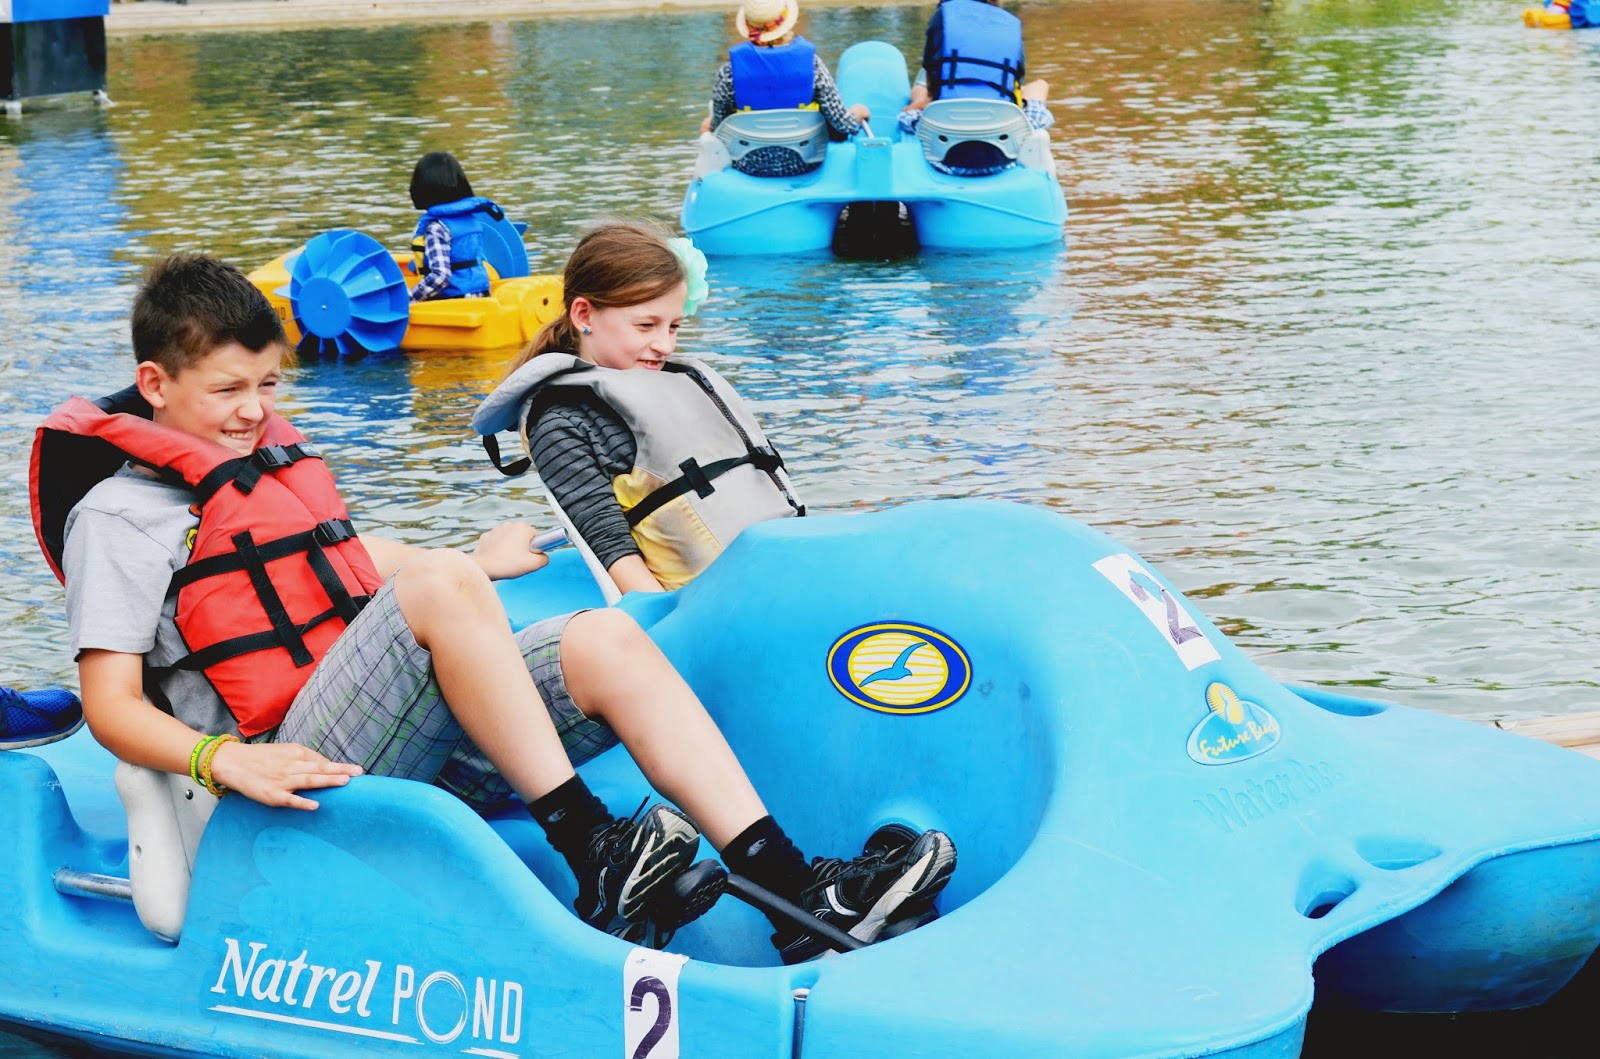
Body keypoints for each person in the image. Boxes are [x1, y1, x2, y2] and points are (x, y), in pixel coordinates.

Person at [33, 253, 953, 962]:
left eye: (267, 385)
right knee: (438, 585)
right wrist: (225, 757)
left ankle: (796, 892)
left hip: (388, 739)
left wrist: (477, 561)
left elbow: (334, 565)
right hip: (278, 779)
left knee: (602, 638)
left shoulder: (258, 466)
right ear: (154, 385)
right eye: (227, 390)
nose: (251, 411)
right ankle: (593, 849)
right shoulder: (116, 520)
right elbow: (110, 705)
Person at [474, 221, 801, 597]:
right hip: (711, 602)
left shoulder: (677, 385)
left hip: (779, 567)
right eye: (646, 325)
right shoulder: (561, 421)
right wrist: (669, 622)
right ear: (584, 315)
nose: (665, 345)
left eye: (674, 327)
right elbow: (610, 547)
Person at [698, 0, 870, 177]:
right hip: (805, 162)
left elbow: (718, 127)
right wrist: (857, 114)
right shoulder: (813, 65)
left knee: (707, 126)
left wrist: (709, 125)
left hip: (748, 164)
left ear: (747, 26)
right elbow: (842, 124)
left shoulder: (728, 73)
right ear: (788, 24)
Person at [897, 0, 1054, 176]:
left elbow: (933, 88)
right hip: (1004, 155)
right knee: (1038, 86)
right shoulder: (1011, 24)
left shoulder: (941, 17)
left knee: (918, 96)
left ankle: (918, 100)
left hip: (943, 158)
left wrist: (915, 105)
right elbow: (1014, 85)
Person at [407, 151, 504, 302]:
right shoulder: (471, 220)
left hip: (454, 301)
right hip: (480, 296)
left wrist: (408, 298)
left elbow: (440, 277)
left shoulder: (436, 228)